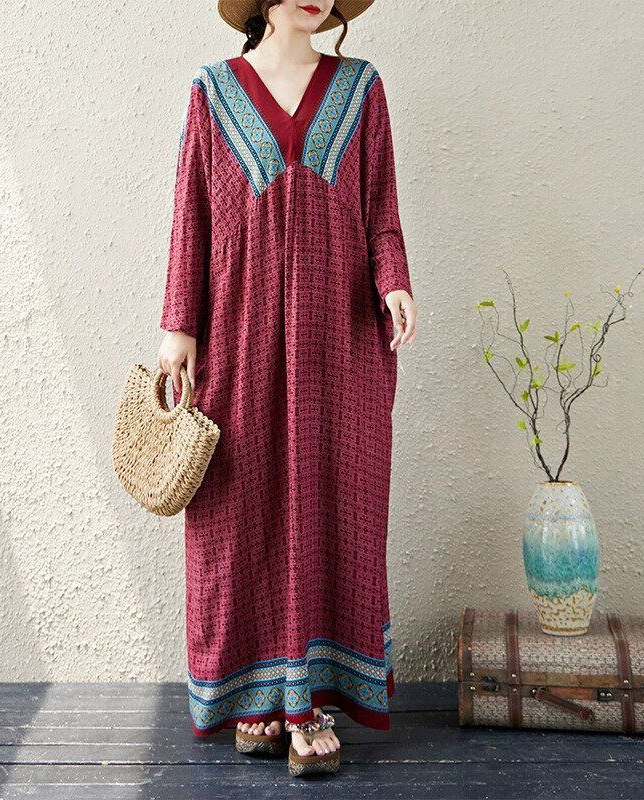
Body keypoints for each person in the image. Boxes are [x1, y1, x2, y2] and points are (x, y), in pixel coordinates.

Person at [157, 0, 417, 777]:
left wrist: (395, 282)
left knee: (333, 504)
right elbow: (192, 214)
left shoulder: (362, 88)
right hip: (238, 339)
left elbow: (381, 211)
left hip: (341, 340)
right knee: (238, 510)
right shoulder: (212, 91)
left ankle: (309, 701)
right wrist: (179, 325)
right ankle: (257, 697)